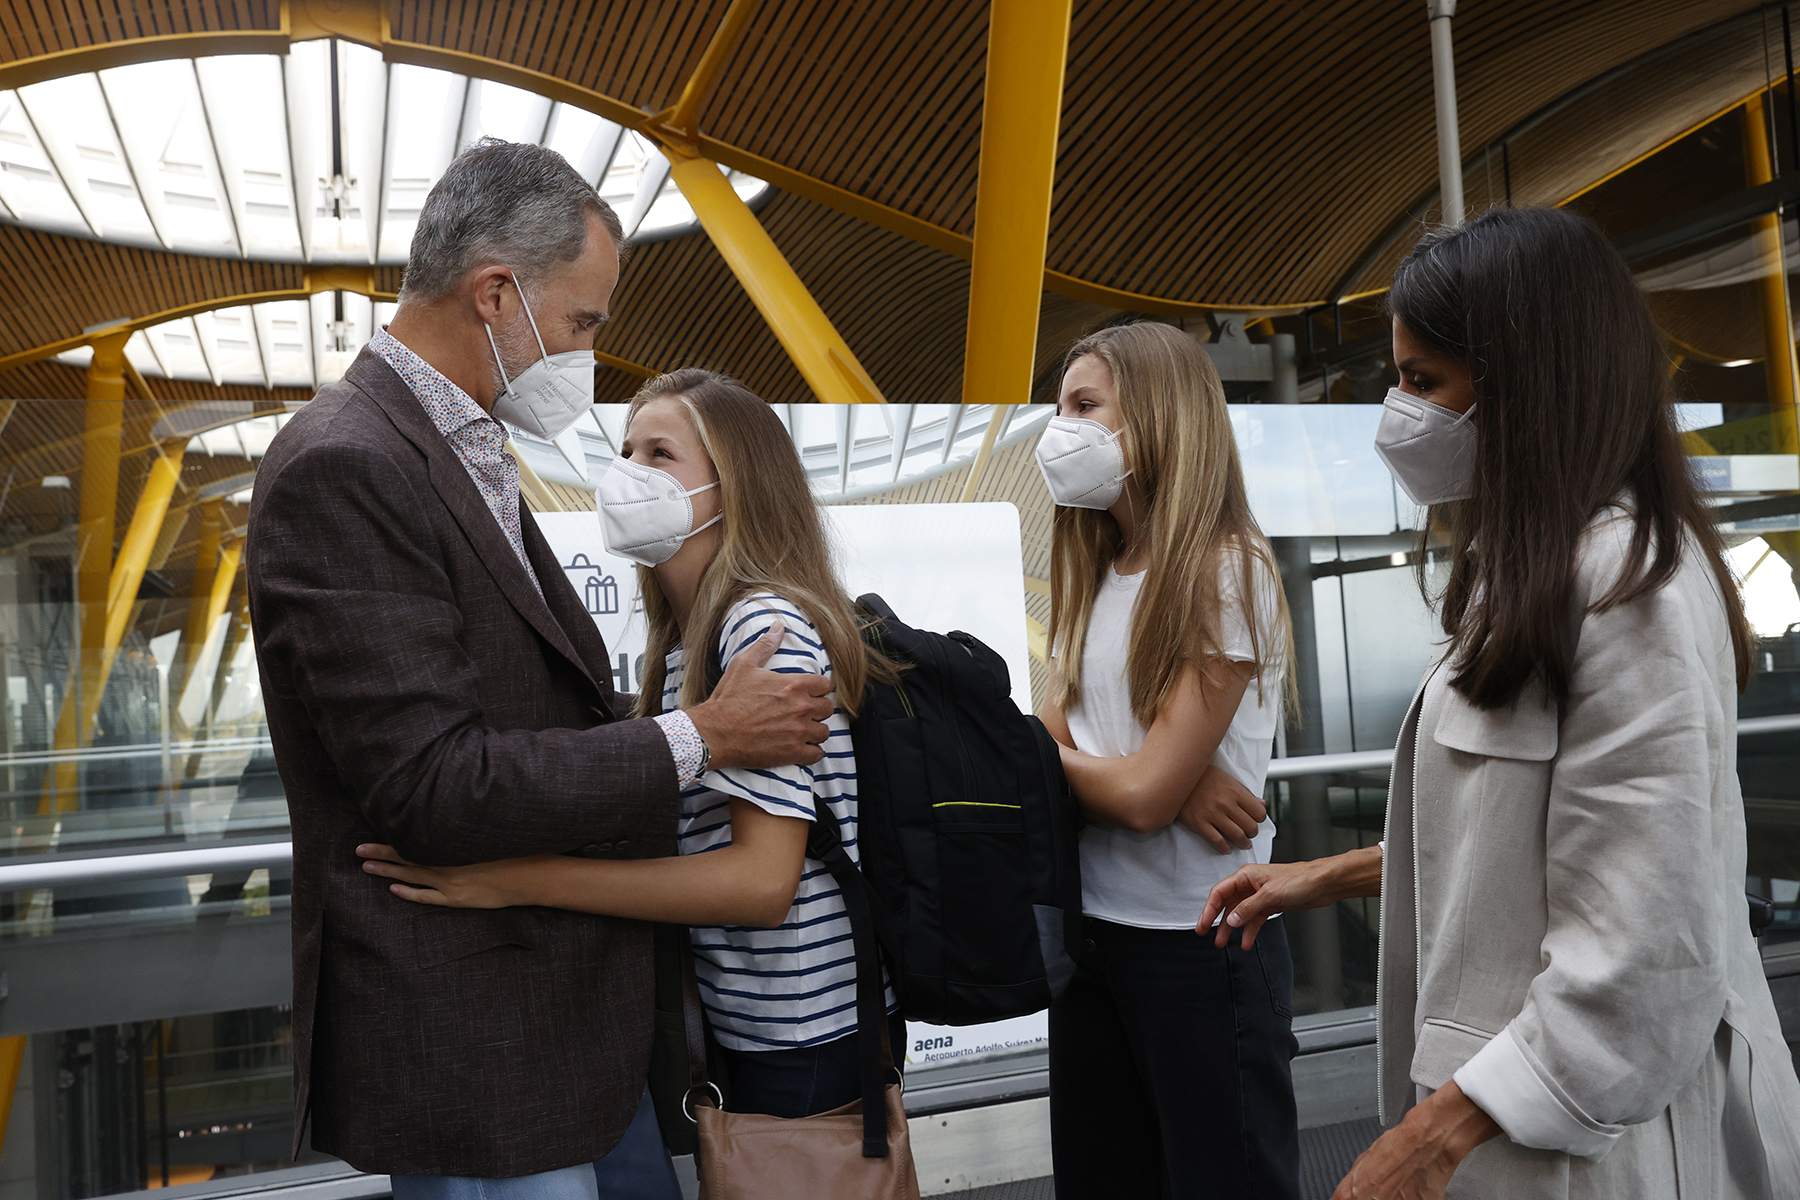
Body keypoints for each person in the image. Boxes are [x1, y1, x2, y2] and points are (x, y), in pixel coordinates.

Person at [247, 143, 834, 1200]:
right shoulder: (349, 461)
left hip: (548, 1031)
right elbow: (435, 783)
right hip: (477, 1044)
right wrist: (705, 735)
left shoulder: (453, 447)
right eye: (583, 323)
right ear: (496, 295)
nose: (587, 352)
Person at [1200, 206, 1800, 1199]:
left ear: (1530, 388)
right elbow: (1523, 840)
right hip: (1521, 1135)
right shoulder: (1538, 571)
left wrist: (1428, 1140)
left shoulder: (1627, 589)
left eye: (1423, 380)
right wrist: (1323, 876)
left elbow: (1648, 946)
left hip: (1590, 1151)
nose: (1402, 412)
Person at [357, 370, 915, 1130]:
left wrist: (519, 879)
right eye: (626, 451)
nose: (628, 474)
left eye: (661, 454)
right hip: (757, 1026)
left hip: (808, 1035)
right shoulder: (688, 643)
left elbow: (760, 883)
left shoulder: (761, 630)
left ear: (735, 486)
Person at [1034, 321, 1300, 1199]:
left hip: (1204, 941)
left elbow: (1138, 792)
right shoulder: (1095, 568)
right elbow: (1045, 746)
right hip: (1095, 937)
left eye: (1084, 405)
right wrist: (1159, 772)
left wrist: (1157, 777)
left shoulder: (1227, 568)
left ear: (1157, 416)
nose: (1059, 427)